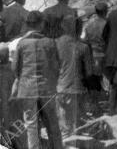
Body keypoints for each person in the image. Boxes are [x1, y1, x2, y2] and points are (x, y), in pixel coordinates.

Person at [14, 11, 63, 149]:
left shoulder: (22, 44)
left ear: (28, 25)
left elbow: (16, 67)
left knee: (31, 124)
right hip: (47, 88)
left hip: (27, 88)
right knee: (52, 122)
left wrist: (21, 79)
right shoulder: (50, 42)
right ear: (41, 24)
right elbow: (57, 66)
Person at [56, 17, 93, 136]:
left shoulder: (55, 43)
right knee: (77, 126)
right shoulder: (84, 47)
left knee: (64, 126)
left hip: (60, 88)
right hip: (78, 89)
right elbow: (89, 73)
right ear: (79, 29)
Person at [83, 1, 108, 91]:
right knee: (106, 77)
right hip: (105, 56)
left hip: (93, 56)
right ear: (106, 11)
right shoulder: (108, 24)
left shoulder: (88, 24)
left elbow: (86, 41)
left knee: (97, 76)